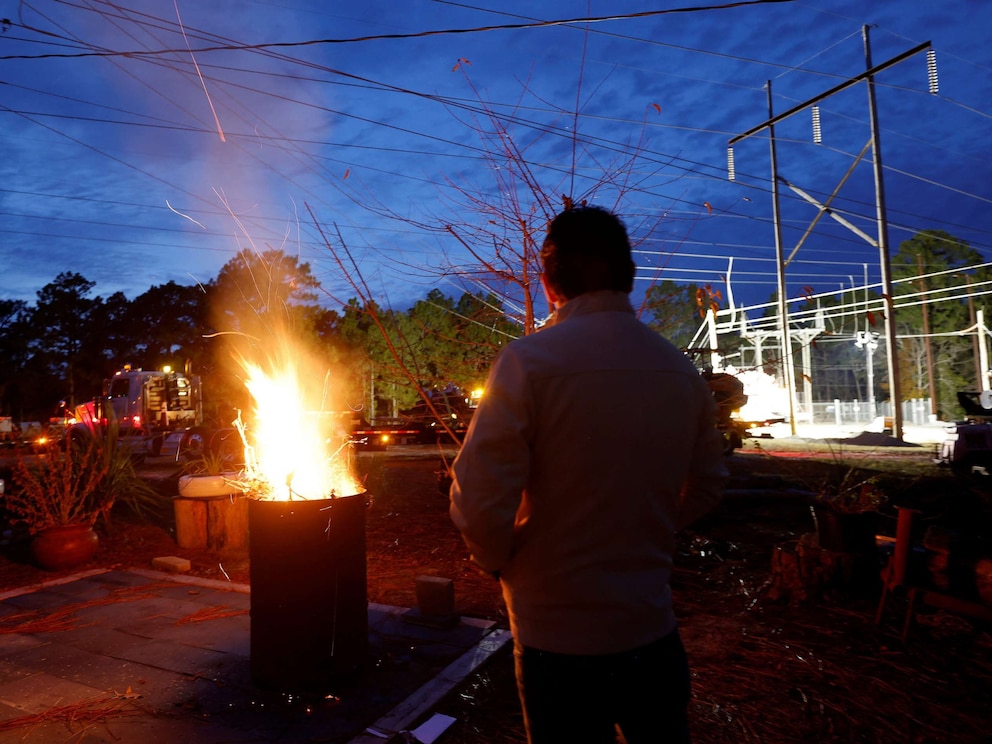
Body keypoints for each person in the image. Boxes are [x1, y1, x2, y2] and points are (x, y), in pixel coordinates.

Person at [449, 205, 728, 743]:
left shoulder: (528, 362)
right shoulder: (678, 370)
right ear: (628, 275)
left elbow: (480, 498)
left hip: (556, 636)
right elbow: (709, 484)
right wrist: (650, 532)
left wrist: (500, 561)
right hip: (651, 628)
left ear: (550, 284)